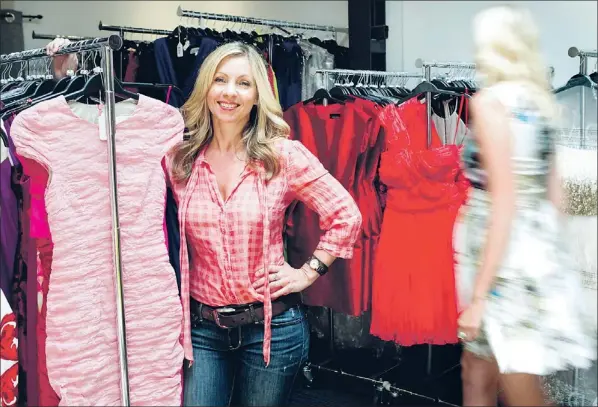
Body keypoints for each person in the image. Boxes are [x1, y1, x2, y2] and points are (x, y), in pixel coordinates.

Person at [48, 39, 362, 406]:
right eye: (220, 80)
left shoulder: (283, 156)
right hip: (201, 329)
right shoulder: (178, 156)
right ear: (206, 87)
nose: (230, 92)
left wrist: (307, 273)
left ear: (258, 95)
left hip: (273, 329)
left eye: (244, 83)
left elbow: (346, 215)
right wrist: (64, 79)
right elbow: (109, 157)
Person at [454, 5, 596, 407]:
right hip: (531, 249)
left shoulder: (490, 103)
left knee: (518, 384)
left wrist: (481, 295)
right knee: (477, 366)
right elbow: (557, 197)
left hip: (501, 258)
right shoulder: (539, 104)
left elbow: (505, 201)